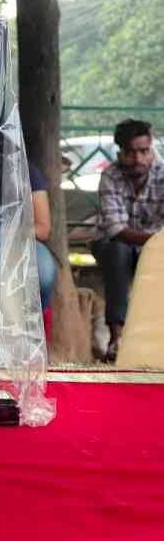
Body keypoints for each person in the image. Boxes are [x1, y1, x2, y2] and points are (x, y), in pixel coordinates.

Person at [91, 118, 164, 362]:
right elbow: (115, 229)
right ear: (120, 153)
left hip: (154, 247)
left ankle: (153, 341)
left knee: (155, 256)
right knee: (118, 251)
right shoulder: (110, 175)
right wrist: (153, 241)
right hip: (113, 243)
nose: (139, 159)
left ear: (151, 148)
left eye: (144, 151)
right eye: (131, 152)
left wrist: (154, 245)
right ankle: (117, 337)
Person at [28, 162, 56, 311]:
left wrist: (9, 233)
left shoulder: (27, 170)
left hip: (19, 240)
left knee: (43, 272)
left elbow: (42, 228)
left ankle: (34, 326)